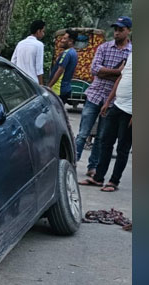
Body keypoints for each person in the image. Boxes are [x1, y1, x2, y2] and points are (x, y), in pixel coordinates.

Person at [73, 16, 132, 177]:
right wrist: (117, 72)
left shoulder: (131, 52)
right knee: (83, 134)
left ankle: (92, 167)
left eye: (121, 30)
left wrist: (108, 73)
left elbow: (127, 76)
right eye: (116, 29)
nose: (117, 33)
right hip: (94, 95)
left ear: (128, 31)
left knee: (101, 137)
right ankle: (72, 163)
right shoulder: (104, 47)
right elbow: (94, 70)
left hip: (113, 101)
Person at [83, 52, 132, 192]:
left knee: (123, 148)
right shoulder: (131, 56)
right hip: (117, 105)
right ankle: (98, 178)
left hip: (130, 111)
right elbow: (121, 78)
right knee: (105, 142)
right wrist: (109, 101)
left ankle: (113, 181)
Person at [46, 30, 78, 105]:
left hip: (58, 89)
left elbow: (60, 70)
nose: (62, 40)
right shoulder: (74, 52)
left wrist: (49, 86)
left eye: (64, 38)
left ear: (70, 41)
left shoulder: (66, 53)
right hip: (66, 88)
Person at [10, 20, 47, 85]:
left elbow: (13, 62)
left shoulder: (20, 43)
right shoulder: (39, 45)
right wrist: (41, 86)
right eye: (43, 31)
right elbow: (39, 68)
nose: (43, 34)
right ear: (38, 31)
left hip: (20, 81)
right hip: (33, 82)